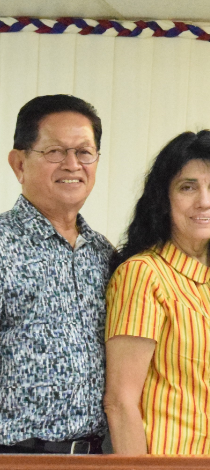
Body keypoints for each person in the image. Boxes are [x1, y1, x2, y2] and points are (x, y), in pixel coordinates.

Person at [103, 130, 210, 455]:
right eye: (188, 187)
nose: (204, 200)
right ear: (163, 198)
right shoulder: (144, 275)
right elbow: (120, 402)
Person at [0, 95, 112, 454]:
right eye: (54, 152)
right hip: (16, 456)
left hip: (96, 457)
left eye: (84, 152)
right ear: (18, 163)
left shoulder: (106, 255)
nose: (72, 164)